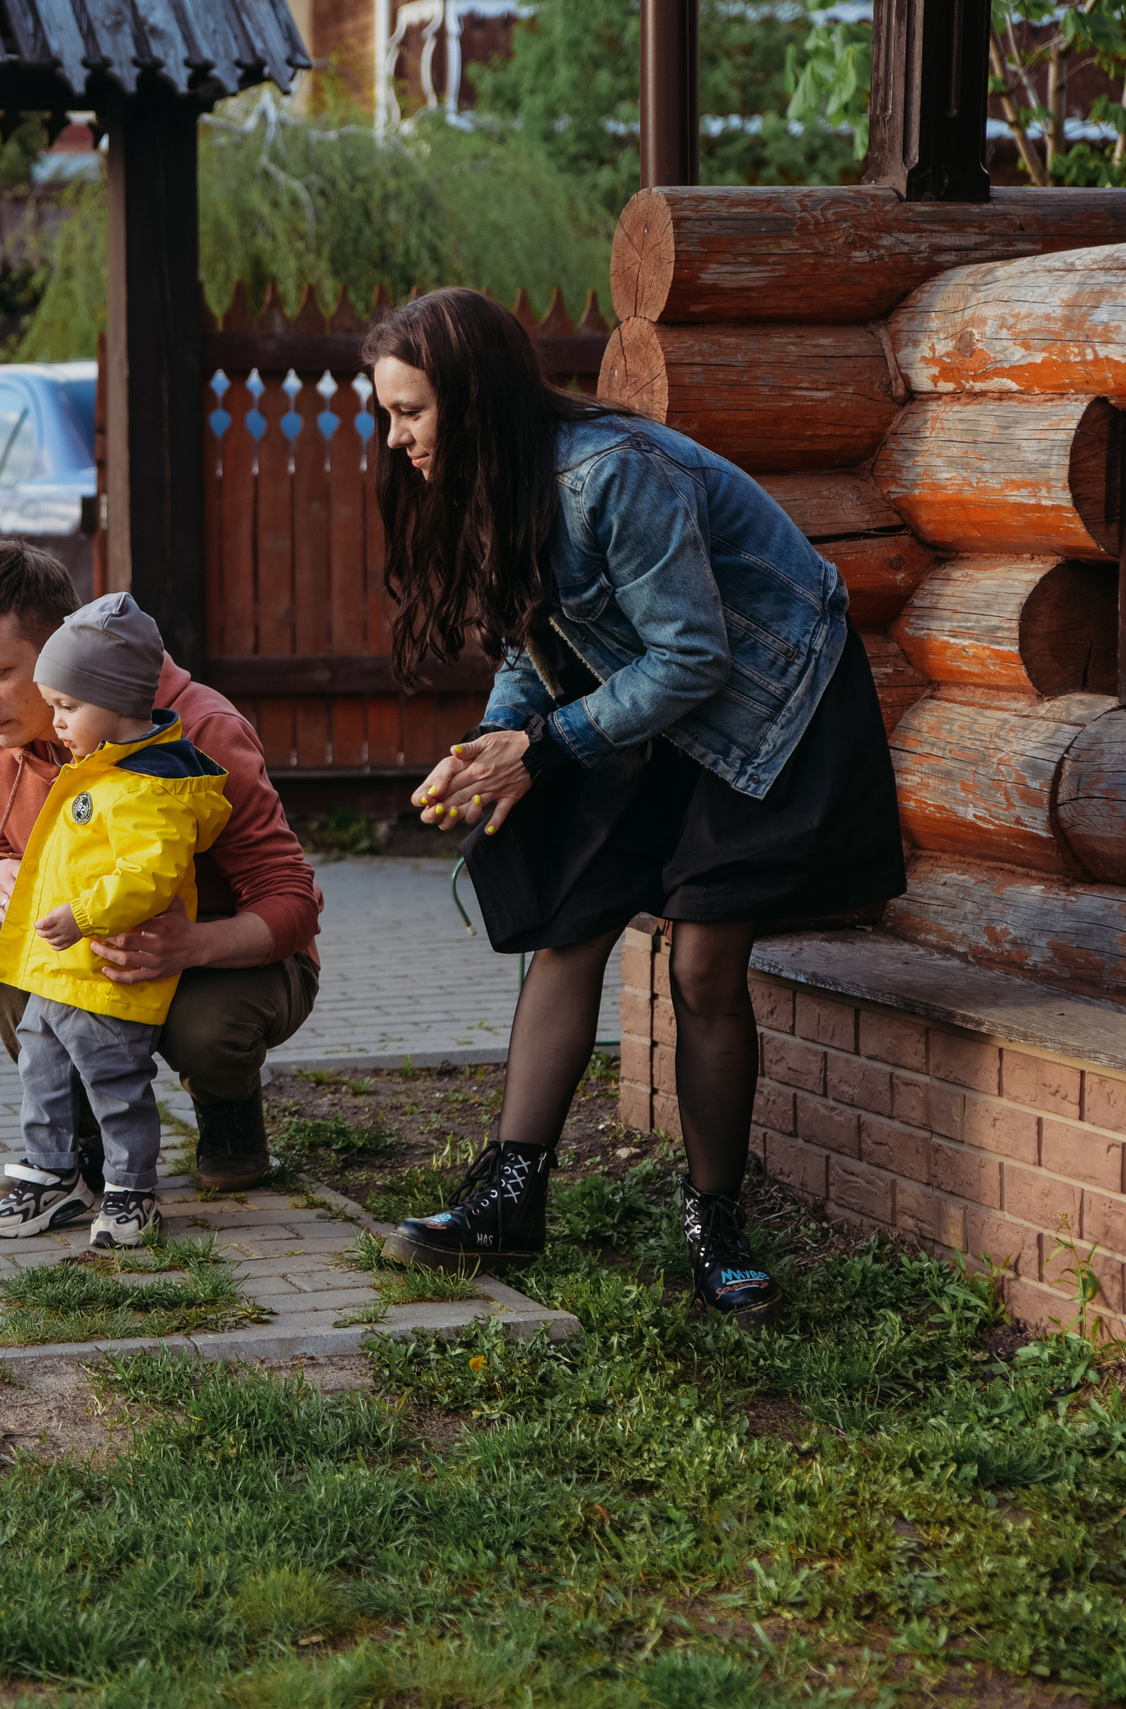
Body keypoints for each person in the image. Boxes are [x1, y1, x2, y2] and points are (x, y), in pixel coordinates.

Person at [367, 289, 905, 1329]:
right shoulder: (490, 483)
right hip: (644, 698)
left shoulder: (612, 471)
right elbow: (530, 641)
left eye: (411, 412)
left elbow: (697, 657)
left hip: (765, 703)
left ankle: (718, 1230)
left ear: (474, 400)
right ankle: (509, 1197)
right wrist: (493, 745)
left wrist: (545, 746)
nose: (396, 439)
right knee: (571, 919)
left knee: (701, 962)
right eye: (388, 413)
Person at [0, 540, 323, 1197]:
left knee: (206, 1030)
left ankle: (229, 1107)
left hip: (220, 959)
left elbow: (292, 899)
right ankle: (74, 1137)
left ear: (62, 652)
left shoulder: (201, 728)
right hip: (86, 956)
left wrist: (194, 944)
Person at [0, 594, 234, 1247]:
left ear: (117, 703)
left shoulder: (152, 785)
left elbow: (147, 874)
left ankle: (130, 1190)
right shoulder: (99, 768)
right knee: (41, 1072)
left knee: (116, 1084)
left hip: (107, 974)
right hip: (60, 973)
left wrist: (84, 914)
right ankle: (53, 1172)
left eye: (67, 707)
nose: (56, 721)